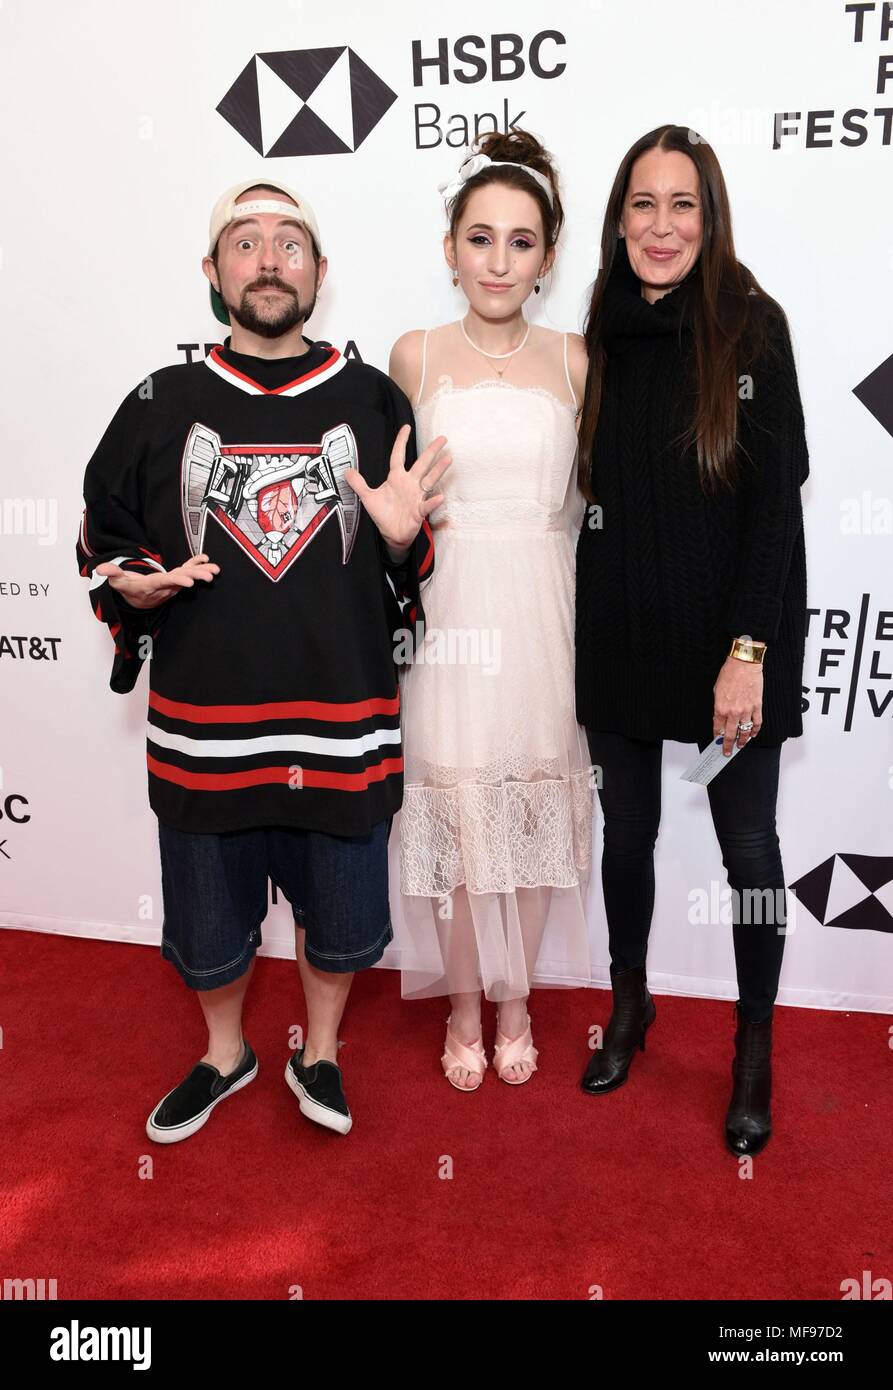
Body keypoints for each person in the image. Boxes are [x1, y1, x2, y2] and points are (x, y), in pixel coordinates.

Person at [76, 178, 449, 1140]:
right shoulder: (160, 404)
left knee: (343, 918)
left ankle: (317, 1051)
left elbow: (409, 566)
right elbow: (101, 536)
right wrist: (131, 582)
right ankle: (225, 1052)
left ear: (320, 272)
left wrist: (406, 542)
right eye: (246, 242)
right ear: (213, 272)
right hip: (205, 726)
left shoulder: (371, 399)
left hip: (342, 721)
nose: (269, 259)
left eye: (291, 242)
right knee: (208, 926)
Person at [574, 126, 809, 1155]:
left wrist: (745, 651)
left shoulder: (750, 328)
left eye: (681, 205)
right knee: (625, 840)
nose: (659, 227)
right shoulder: (601, 326)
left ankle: (751, 1046)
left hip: (727, 647)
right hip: (621, 630)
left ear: (708, 220)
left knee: (748, 851)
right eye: (641, 203)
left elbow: (772, 511)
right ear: (616, 218)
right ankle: (629, 1002)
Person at [389, 131, 593, 1091]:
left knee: (535, 811)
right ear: (450, 248)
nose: (499, 260)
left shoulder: (575, 359)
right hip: (449, 606)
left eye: (521, 242)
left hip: (543, 608)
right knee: (463, 811)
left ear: (549, 257)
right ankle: (465, 1007)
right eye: (481, 238)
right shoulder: (414, 355)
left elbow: (593, 502)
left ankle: (518, 1002)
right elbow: (389, 510)